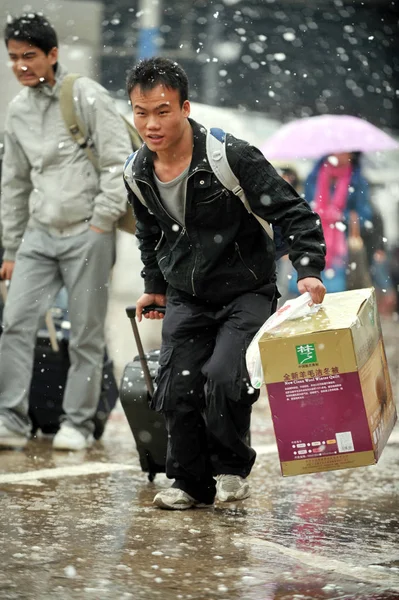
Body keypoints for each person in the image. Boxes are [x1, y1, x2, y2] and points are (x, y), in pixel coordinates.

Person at [124, 57, 326, 510]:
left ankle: (232, 466)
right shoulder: (137, 172)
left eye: (162, 111)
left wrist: (309, 268)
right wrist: (154, 285)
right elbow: (150, 231)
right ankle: (191, 483)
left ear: (185, 107)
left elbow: (293, 212)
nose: (151, 124)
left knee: (223, 376)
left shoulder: (229, 155)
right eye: (141, 112)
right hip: (186, 294)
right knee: (177, 385)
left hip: (247, 289)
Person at [0, 13, 131, 451]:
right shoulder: (16, 111)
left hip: (87, 232)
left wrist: (102, 221)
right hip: (38, 235)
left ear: (52, 55)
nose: (21, 65)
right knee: (16, 323)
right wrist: (11, 247)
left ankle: (77, 422)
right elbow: (15, 183)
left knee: (86, 331)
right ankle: (11, 420)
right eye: (13, 57)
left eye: (29, 56)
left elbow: (118, 161)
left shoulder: (86, 96)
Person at [302, 152, 374, 293]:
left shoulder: (358, 180)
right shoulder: (315, 175)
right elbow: (303, 209)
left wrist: (341, 217)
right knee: (311, 295)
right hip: (315, 242)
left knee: (339, 295)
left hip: (343, 249)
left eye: (345, 150)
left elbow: (365, 216)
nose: (340, 153)